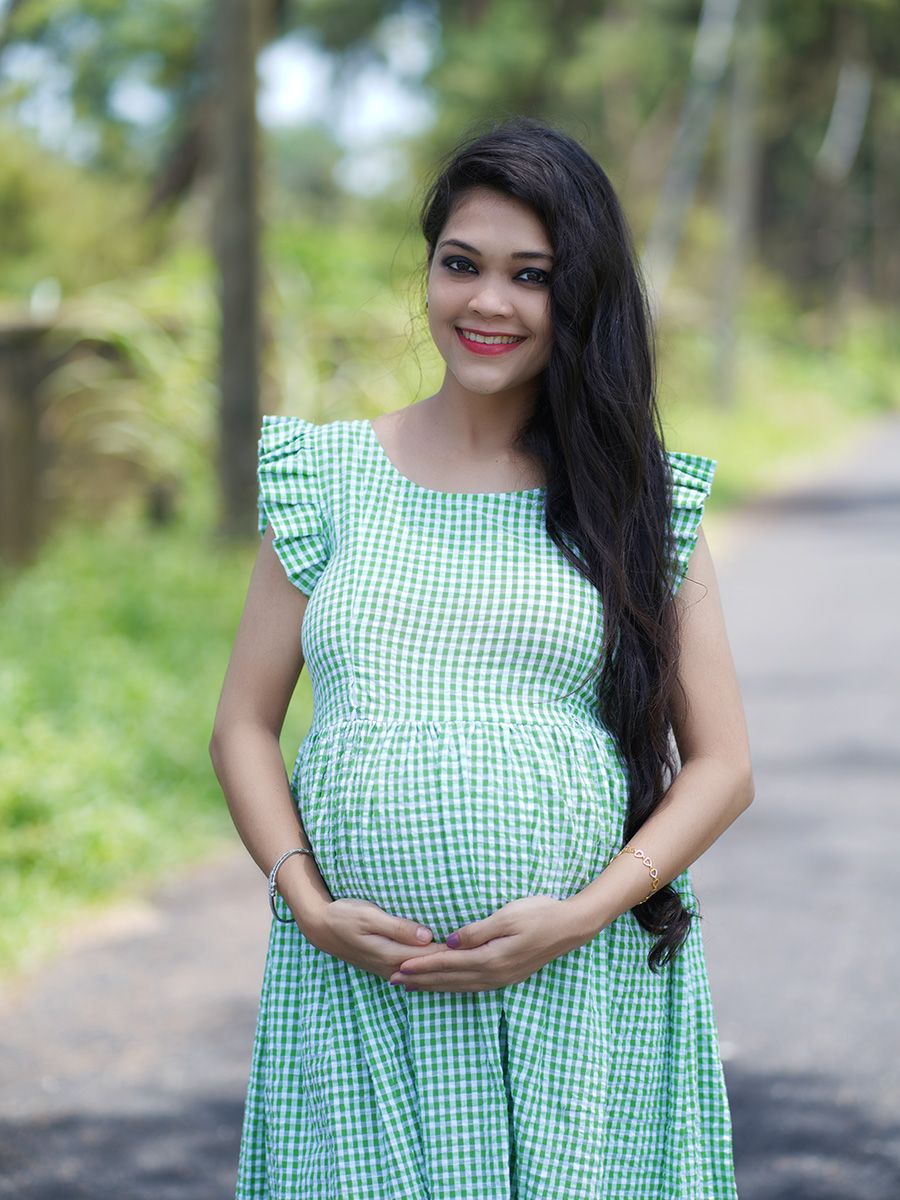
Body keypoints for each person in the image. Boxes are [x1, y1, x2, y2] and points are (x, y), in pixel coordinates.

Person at [210, 115, 753, 1200]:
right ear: (429, 274)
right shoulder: (327, 477)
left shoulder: (634, 501)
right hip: (362, 993)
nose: (487, 303)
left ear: (581, 298)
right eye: (461, 264)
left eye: (530, 275)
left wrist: (577, 917)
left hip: (576, 987)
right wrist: (307, 901)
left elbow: (724, 765)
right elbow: (243, 725)